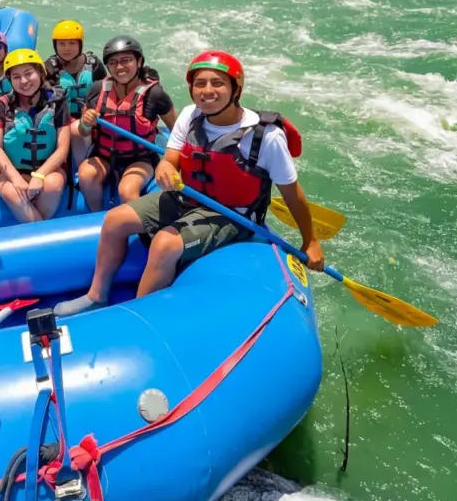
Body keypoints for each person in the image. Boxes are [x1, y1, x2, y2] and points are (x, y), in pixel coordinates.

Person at [55, 50, 324, 316]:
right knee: (115, 220)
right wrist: (165, 168)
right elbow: (170, 158)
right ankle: (97, 296)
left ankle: (136, 317)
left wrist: (310, 241)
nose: (207, 91)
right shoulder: (190, 115)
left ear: (236, 89)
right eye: (200, 83)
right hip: (187, 197)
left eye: (217, 83)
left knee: (164, 243)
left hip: (231, 214)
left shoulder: (266, 136)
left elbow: (292, 193)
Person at [76, 36, 178, 211]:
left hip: (141, 158)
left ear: (139, 62)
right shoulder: (97, 89)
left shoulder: (154, 95)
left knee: (127, 190)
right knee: (86, 174)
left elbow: (177, 131)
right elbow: (83, 132)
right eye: (113, 62)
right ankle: (97, 216)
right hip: (103, 156)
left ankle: (135, 223)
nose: (120, 67)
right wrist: (85, 123)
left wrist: (171, 164)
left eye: (126, 60)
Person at [0, 49, 71, 223]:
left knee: (54, 185)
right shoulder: (0, 105)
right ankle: (42, 230)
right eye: (16, 77)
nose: (24, 81)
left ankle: (35, 229)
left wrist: (40, 176)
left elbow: (63, 148)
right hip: (11, 171)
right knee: (13, 192)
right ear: (10, 80)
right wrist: (16, 179)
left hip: (48, 169)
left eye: (28, 73)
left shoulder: (57, 102)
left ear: (40, 73)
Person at [44, 20, 106, 166]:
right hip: (61, 121)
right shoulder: (49, 69)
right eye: (61, 44)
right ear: (55, 45)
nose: (67, 49)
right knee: (73, 129)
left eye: (72, 43)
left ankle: (81, 164)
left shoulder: (94, 65)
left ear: (80, 44)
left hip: (91, 119)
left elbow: (110, 88)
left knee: (78, 129)